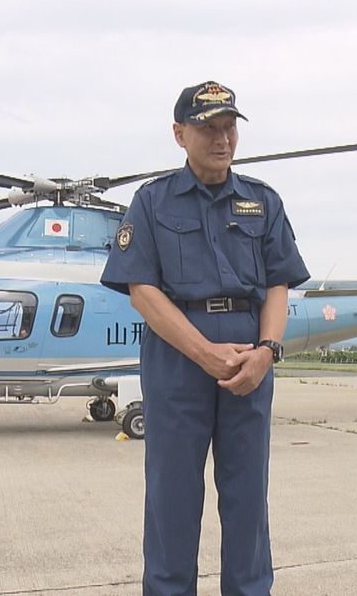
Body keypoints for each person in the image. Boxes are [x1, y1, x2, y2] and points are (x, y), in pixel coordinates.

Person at [101, 81, 310, 595]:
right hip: (177, 358)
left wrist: (267, 352)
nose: (222, 139)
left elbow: (278, 284)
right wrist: (203, 353)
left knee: (247, 498)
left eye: (229, 127)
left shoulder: (263, 202)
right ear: (179, 134)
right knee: (172, 499)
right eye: (208, 128)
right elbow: (142, 292)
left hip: (249, 356)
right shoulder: (151, 203)